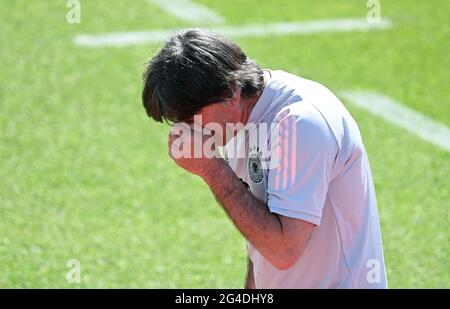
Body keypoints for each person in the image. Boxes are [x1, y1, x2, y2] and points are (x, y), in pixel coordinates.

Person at [141, 29, 387, 288]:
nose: (187, 131)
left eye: (191, 118)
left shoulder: (299, 124)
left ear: (231, 92)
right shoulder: (236, 120)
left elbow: (283, 250)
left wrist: (212, 168)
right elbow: (260, 235)